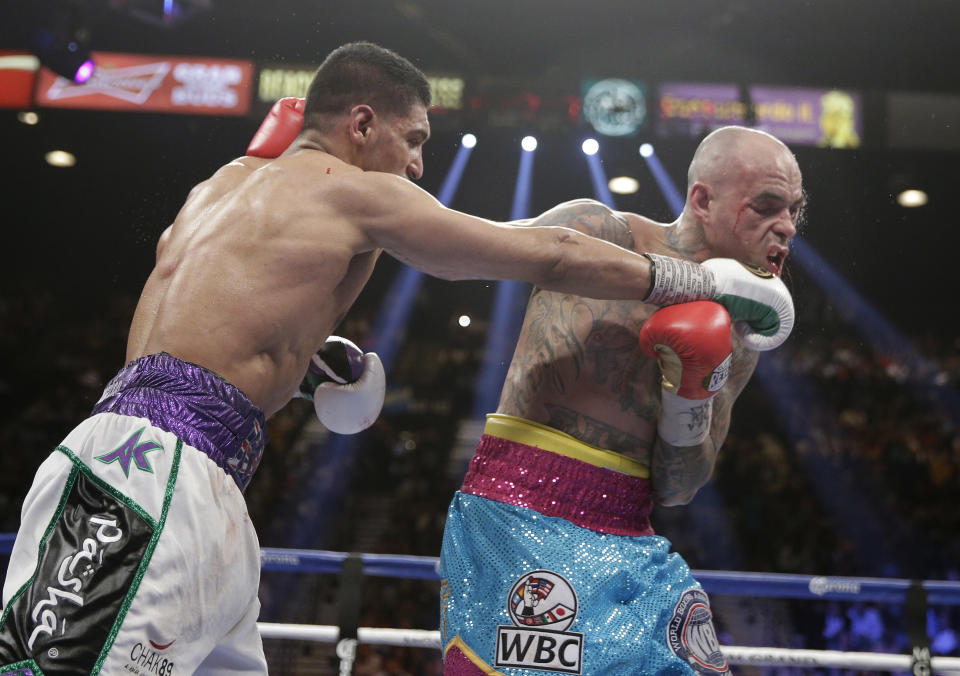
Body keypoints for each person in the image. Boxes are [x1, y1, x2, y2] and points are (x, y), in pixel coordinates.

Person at [0, 41, 789, 675]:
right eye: (414, 141)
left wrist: (307, 359)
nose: (418, 166)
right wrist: (692, 280)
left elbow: (192, 316)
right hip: (152, 474)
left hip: (201, 473)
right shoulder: (356, 192)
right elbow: (543, 253)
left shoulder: (227, 182)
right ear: (364, 124)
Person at [439, 125, 805, 675]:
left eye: (795, 211)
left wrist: (690, 393)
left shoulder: (741, 330)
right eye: (768, 205)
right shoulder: (601, 232)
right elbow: (461, 248)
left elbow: (680, 487)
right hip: (522, 507)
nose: (785, 226)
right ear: (703, 200)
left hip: (630, 528)